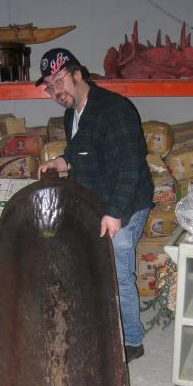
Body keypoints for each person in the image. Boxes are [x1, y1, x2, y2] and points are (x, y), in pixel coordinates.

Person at [37, 48, 153, 363]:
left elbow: (130, 167)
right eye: (50, 86)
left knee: (117, 272)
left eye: (60, 81)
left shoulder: (114, 110)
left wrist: (114, 214)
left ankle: (132, 340)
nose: (56, 91)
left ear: (78, 74)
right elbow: (79, 150)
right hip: (98, 200)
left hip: (125, 202)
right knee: (92, 266)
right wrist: (61, 161)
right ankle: (104, 324)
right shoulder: (72, 113)